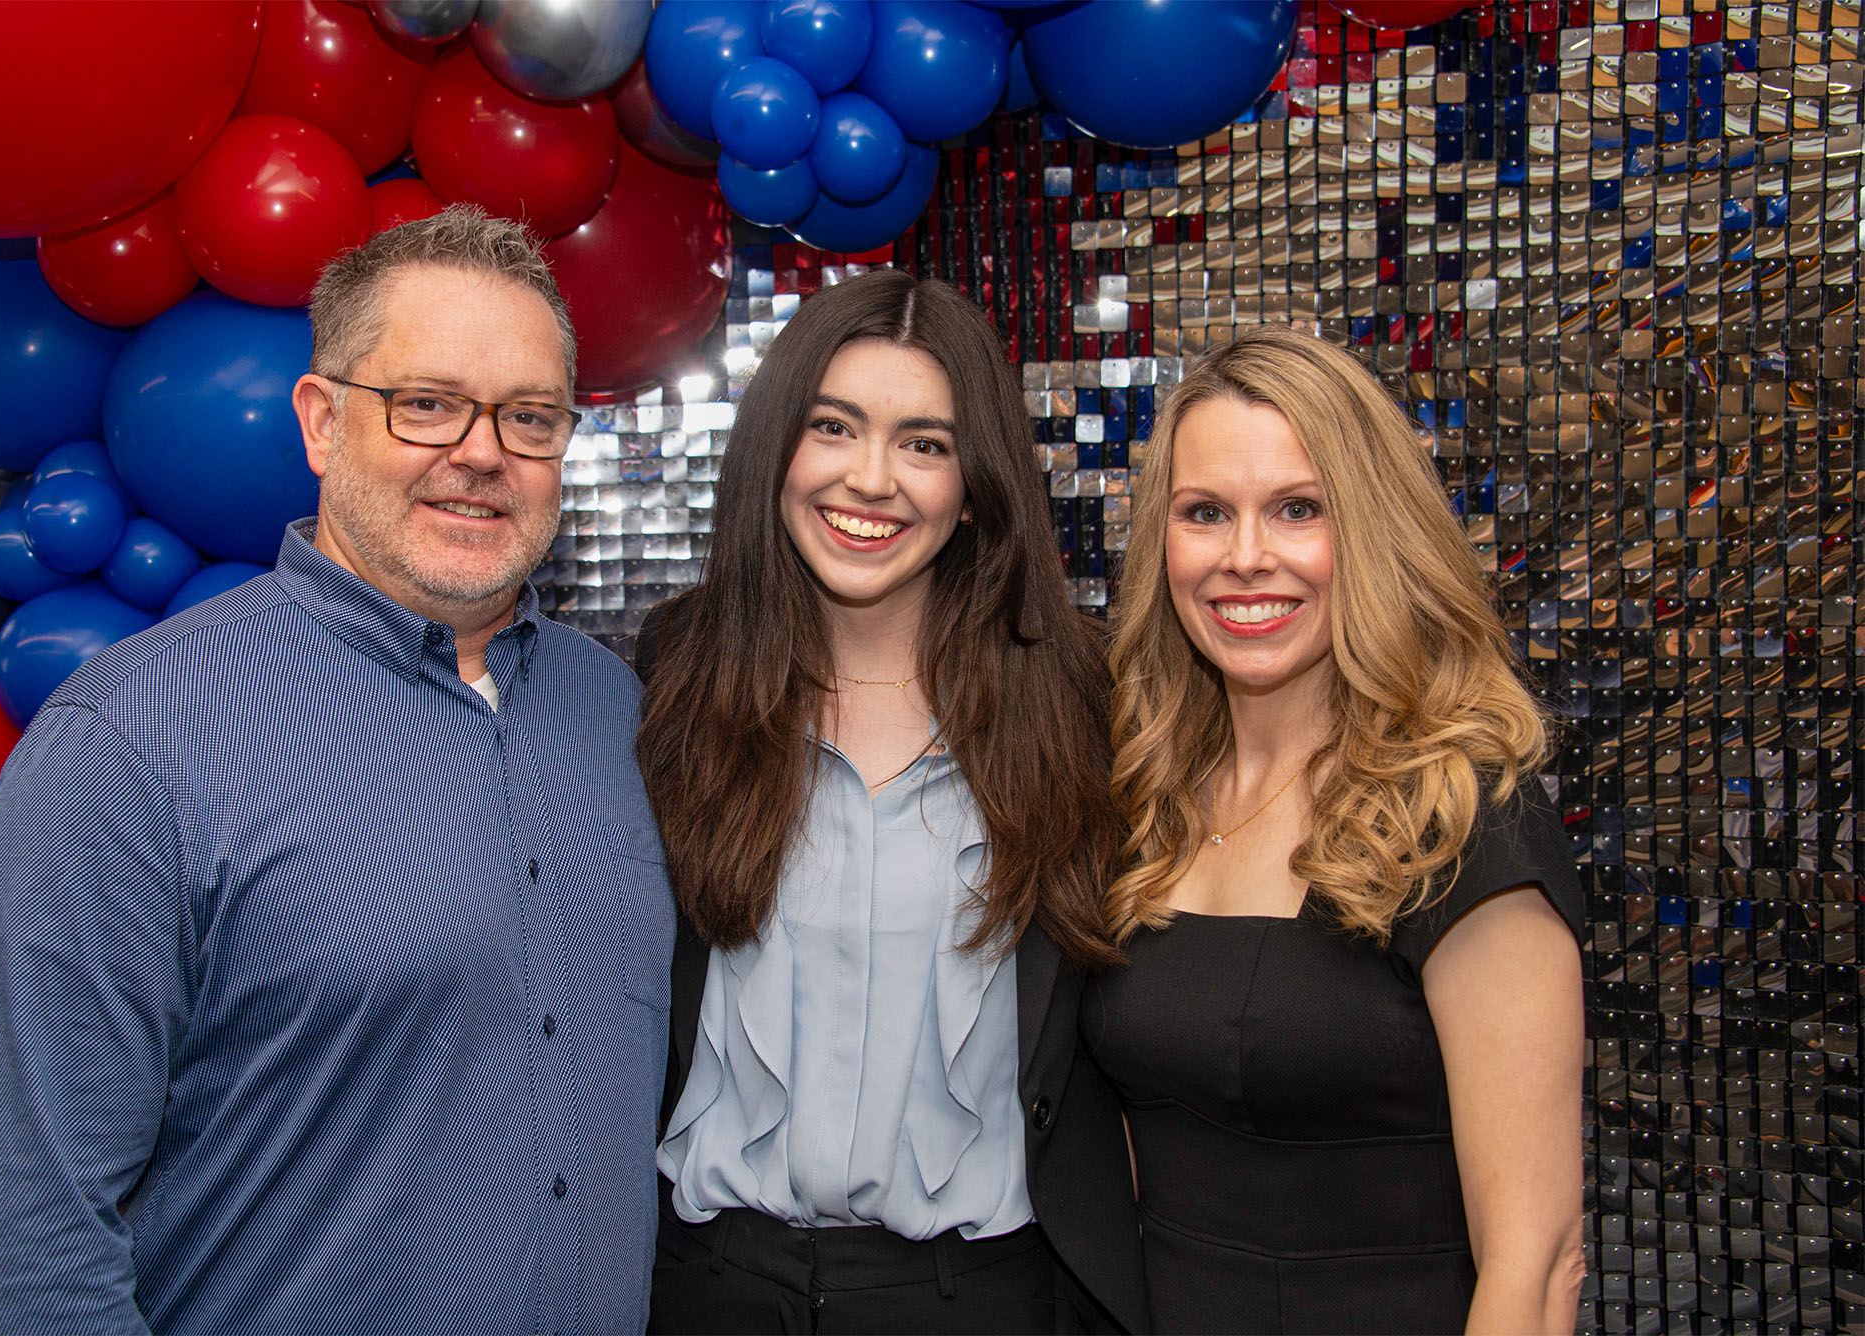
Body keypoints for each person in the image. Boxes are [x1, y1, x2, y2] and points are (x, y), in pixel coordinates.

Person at [0, 205, 674, 1334]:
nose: (481, 452)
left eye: (529, 416)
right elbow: (10, 1242)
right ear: (320, 422)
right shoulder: (133, 739)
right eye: (424, 403)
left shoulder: (612, 713)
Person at [636, 269, 1146, 1334]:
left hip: (981, 1297)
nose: (872, 479)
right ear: (776, 445)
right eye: (834, 426)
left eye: (924, 442)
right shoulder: (672, 678)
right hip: (703, 1288)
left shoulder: (1082, 703)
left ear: (976, 483)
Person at [1088, 324, 1585, 1335]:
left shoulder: (1457, 818)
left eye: (1296, 510)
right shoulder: (1142, 801)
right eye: (1205, 513)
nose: (1245, 557)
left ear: (1371, 528)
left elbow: (1535, 1268)